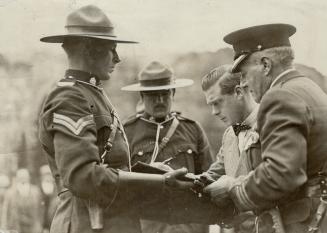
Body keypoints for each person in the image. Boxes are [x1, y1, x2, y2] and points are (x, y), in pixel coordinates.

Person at [38, 5, 195, 233]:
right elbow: (82, 177)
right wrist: (159, 182)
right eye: (112, 49)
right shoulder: (69, 97)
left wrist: (149, 173)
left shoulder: (89, 93)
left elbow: (107, 167)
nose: (118, 58)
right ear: (89, 49)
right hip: (88, 224)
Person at [204, 23, 327, 233]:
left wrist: (234, 189)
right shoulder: (309, 88)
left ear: (265, 65)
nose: (243, 83)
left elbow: (281, 174)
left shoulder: (279, 96)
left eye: (244, 73)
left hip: (303, 223)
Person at [122, 61, 214, 233]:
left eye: (165, 94)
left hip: (188, 225)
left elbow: (210, 176)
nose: (160, 100)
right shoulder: (127, 132)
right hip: (146, 225)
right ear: (142, 96)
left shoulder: (192, 129)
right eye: (152, 95)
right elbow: (118, 183)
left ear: (173, 93)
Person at [200, 65, 260, 232]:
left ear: (239, 93)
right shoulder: (229, 135)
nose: (214, 112)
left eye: (217, 103)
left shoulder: (272, 125)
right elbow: (212, 176)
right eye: (211, 105)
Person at [1, 168, 43, 233]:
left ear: (29, 178)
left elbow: (41, 211)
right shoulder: (10, 193)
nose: (23, 179)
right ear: (17, 178)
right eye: (20, 177)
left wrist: (40, 226)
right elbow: (5, 212)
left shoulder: (36, 192)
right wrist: (4, 228)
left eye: (25, 177)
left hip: (32, 228)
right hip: (15, 228)